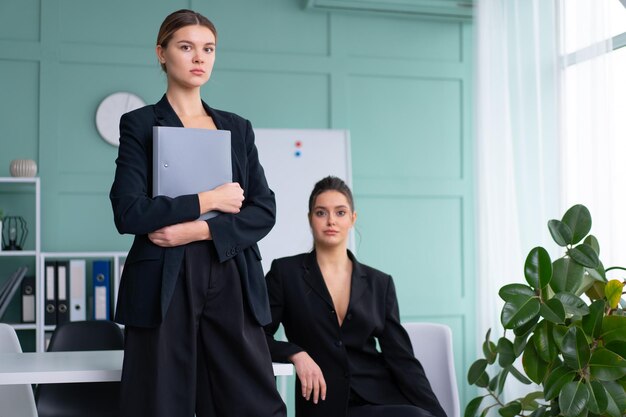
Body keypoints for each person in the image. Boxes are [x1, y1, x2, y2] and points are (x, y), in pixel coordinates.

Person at [109, 9, 286, 417]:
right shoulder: (138, 124)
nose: (198, 58)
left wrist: (199, 232)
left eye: (208, 49)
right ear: (161, 53)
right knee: (160, 403)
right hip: (164, 281)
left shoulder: (236, 128)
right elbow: (128, 212)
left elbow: (264, 209)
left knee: (252, 404)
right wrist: (209, 200)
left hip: (231, 274)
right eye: (186, 47)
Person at [264, 176, 447, 417]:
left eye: (340, 213)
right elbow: (255, 335)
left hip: (381, 397)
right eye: (321, 213)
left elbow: (402, 359)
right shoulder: (285, 274)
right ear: (310, 218)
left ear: (353, 218)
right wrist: (296, 353)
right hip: (323, 403)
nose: (331, 220)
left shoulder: (380, 283)